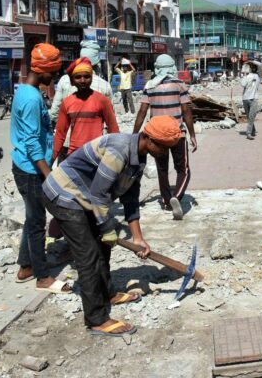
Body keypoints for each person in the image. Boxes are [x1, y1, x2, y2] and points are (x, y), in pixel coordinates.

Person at [42, 116, 182, 336]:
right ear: (147, 137)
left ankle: (108, 293)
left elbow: (130, 197)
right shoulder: (119, 151)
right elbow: (99, 194)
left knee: (103, 247)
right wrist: (106, 229)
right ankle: (96, 319)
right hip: (63, 194)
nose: (164, 153)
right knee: (88, 255)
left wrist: (137, 238)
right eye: (163, 148)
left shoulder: (140, 156)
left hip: (85, 196)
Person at [11, 43, 71, 294]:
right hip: (31, 170)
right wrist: (47, 174)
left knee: (32, 217)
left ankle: (26, 267)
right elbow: (32, 142)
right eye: (54, 72)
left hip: (25, 166)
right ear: (43, 71)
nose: (55, 77)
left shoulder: (25, 92)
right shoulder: (32, 99)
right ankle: (43, 277)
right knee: (37, 224)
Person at [133, 54, 197, 220]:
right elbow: (186, 111)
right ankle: (177, 195)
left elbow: (142, 112)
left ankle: (167, 201)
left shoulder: (150, 86)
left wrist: (135, 135)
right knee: (184, 169)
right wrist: (192, 134)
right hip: (176, 133)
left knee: (162, 169)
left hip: (155, 136)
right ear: (172, 67)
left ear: (157, 68)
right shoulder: (179, 85)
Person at [53, 57, 119, 162]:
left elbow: (113, 129)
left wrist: (116, 157)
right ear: (73, 80)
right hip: (74, 156)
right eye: (78, 77)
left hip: (96, 155)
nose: (83, 80)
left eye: (86, 77)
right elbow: (60, 134)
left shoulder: (102, 100)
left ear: (92, 78)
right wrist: (51, 160)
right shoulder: (67, 103)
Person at [50, 41, 112, 125]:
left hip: (68, 134)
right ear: (97, 63)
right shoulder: (105, 85)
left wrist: (66, 126)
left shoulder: (64, 80)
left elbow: (54, 112)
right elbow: (110, 118)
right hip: (96, 135)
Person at [240, 62, 260, 140]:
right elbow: (243, 84)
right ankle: (253, 130)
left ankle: (248, 133)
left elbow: (260, 65)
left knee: (251, 116)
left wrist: (251, 62)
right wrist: (245, 75)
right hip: (245, 98)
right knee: (249, 117)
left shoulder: (258, 76)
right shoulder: (247, 76)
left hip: (254, 98)